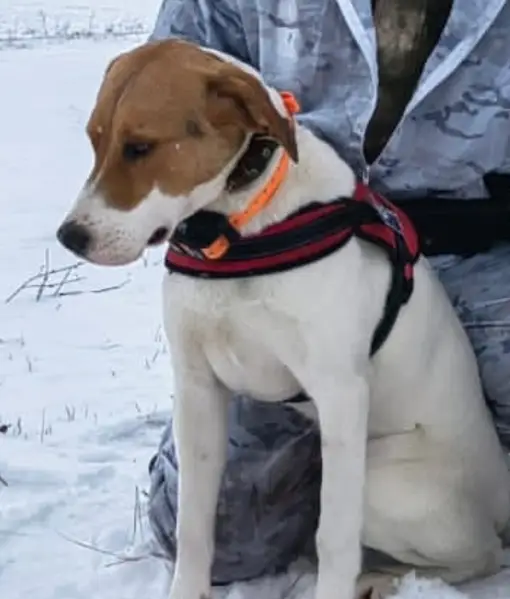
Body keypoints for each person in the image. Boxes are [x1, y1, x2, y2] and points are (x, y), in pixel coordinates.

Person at [147, 0, 510, 586]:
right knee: (230, 535)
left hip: (483, 260)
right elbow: (165, 99)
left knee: (470, 500)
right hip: (284, 249)